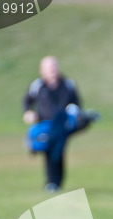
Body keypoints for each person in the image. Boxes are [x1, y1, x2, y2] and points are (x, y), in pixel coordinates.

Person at [23, 56, 82, 192]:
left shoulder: (67, 84)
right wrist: (28, 112)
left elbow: (77, 104)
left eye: (54, 67)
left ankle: (53, 182)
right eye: (49, 68)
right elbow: (27, 101)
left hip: (63, 125)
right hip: (44, 124)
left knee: (56, 150)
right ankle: (54, 182)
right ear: (41, 70)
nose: (52, 70)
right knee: (53, 151)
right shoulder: (37, 85)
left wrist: (76, 117)